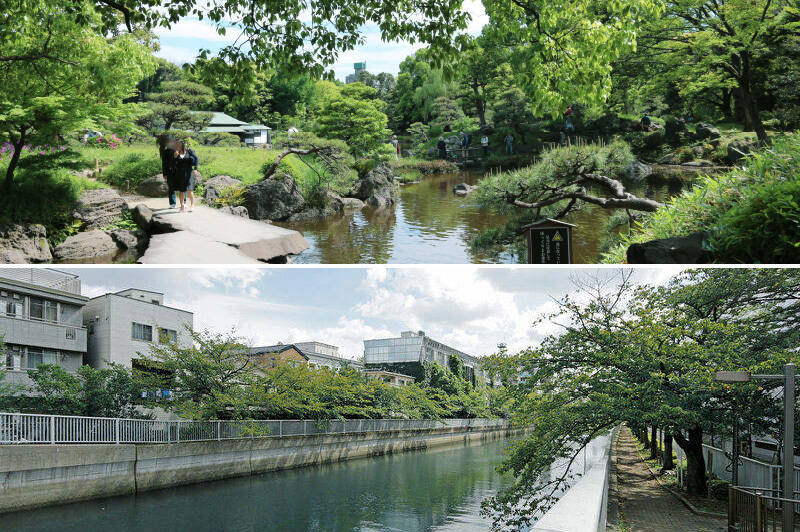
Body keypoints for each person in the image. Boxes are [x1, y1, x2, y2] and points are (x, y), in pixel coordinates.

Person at [173, 140, 199, 213]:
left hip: (189, 173)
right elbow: (174, 164)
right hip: (180, 173)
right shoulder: (176, 153)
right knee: (181, 191)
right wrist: (175, 157)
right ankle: (182, 206)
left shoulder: (189, 151)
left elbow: (196, 158)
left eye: (179, 145)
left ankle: (192, 205)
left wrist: (195, 169)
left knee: (189, 190)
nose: (178, 146)